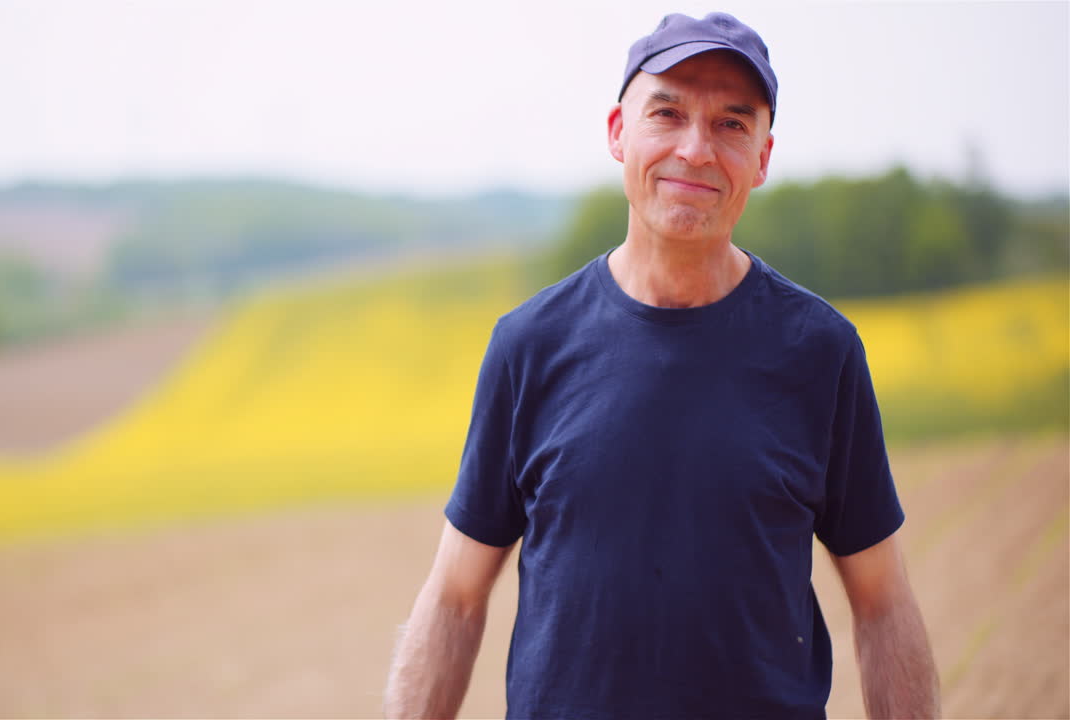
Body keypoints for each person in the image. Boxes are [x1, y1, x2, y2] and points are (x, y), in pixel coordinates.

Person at [383, 11, 940, 720]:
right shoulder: (529, 346)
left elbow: (884, 603)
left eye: (732, 125)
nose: (696, 150)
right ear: (619, 132)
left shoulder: (821, 353)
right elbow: (456, 599)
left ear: (764, 157)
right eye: (667, 114)